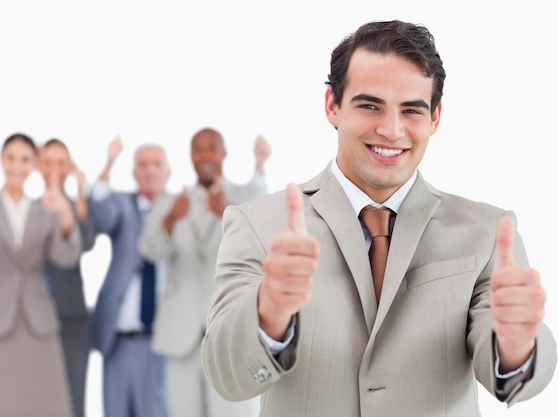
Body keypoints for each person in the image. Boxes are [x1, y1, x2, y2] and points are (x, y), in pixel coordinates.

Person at [201, 20, 557, 416]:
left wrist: (516, 346)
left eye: (411, 110)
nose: (391, 130)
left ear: (435, 117)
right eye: (370, 105)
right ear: (332, 106)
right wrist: (268, 313)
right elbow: (226, 376)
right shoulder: (258, 226)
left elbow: (514, 377)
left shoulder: (487, 233)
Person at [139, 127, 271, 417]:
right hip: (180, 334)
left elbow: (265, 247)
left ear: (224, 153)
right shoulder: (170, 202)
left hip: (230, 331)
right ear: (190, 156)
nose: (205, 155)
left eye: (212, 147)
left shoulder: (245, 197)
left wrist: (232, 212)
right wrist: (170, 220)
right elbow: (149, 250)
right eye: (198, 149)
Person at [0, 133, 80, 417]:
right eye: (10, 158)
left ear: (34, 164)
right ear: (1, 160)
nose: (17, 166)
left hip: (39, 325)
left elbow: (66, 257)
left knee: (49, 406)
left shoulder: (44, 210)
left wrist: (65, 214)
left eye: (25, 160)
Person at [89, 135, 170, 417]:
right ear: (134, 172)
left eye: (156, 164)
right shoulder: (121, 204)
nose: (149, 170)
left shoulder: (178, 208)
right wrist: (108, 163)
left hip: (163, 339)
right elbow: (100, 212)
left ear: (167, 172)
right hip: (119, 337)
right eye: (143, 164)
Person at [38, 138, 96, 417]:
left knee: (74, 398)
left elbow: (87, 243)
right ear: (38, 166)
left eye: (61, 162)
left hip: (71, 316)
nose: (54, 169)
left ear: (70, 166)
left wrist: (80, 194)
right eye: (47, 162)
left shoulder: (77, 205)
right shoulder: (28, 208)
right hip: (33, 318)